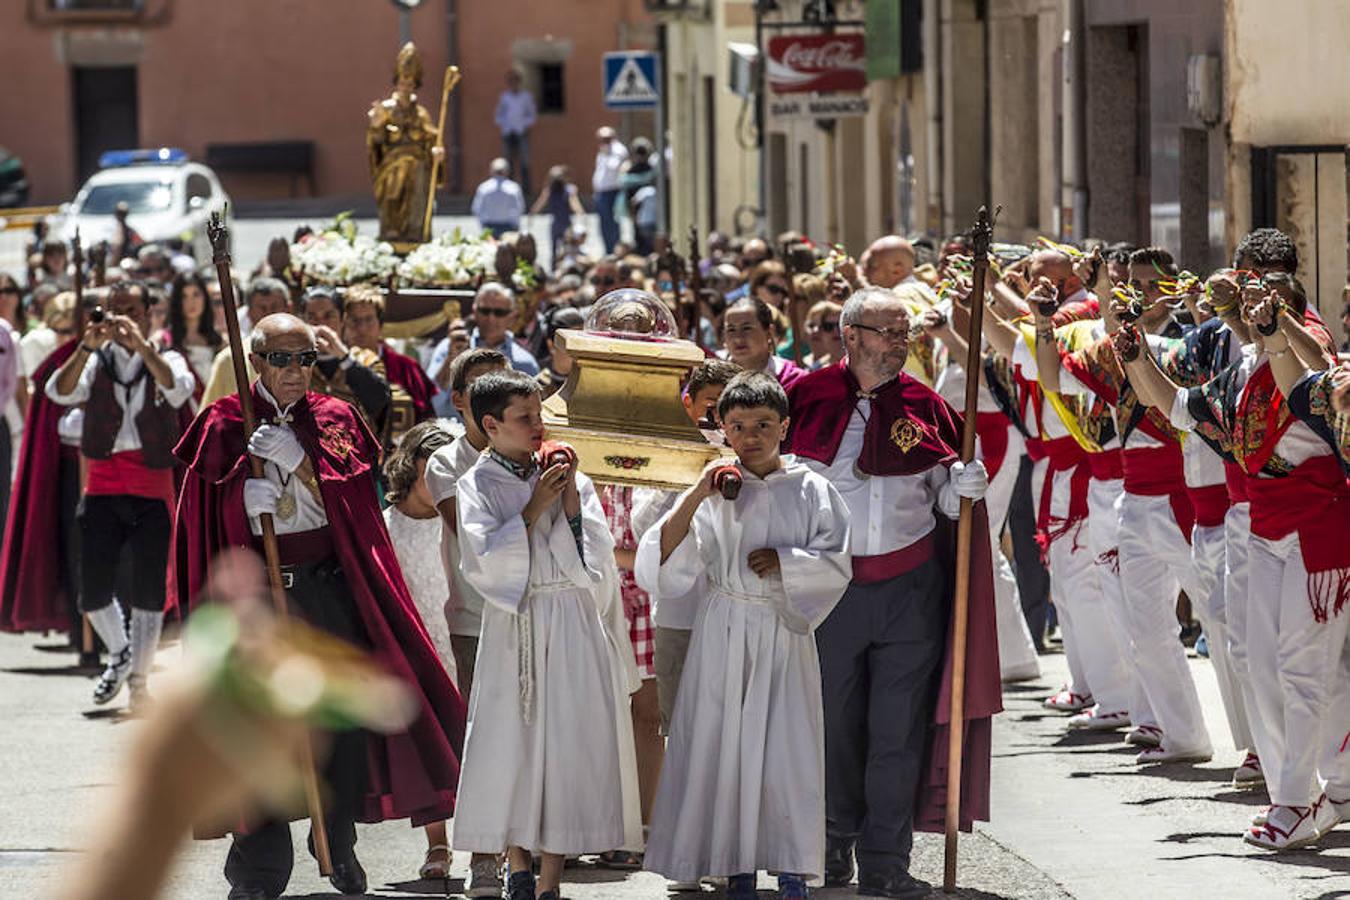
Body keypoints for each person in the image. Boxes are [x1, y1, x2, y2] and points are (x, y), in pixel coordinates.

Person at [171, 312, 467, 898]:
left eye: (305, 358)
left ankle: (336, 837)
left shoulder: (335, 418)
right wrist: (238, 501)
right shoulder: (221, 423)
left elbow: (357, 503)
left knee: (343, 722)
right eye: (280, 359)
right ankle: (258, 869)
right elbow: (198, 526)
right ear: (255, 362)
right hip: (256, 595)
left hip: (327, 587)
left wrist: (300, 465)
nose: (295, 371)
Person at [785, 286, 999, 899]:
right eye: (887, 333)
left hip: (910, 590)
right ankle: (829, 848)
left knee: (896, 731)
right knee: (831, 726)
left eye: (905, 334)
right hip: (831, 590)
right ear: (851, 336)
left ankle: (886, 859)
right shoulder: (804, 399)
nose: (899, 345)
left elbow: (942, 504)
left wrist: (964, 490)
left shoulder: (930, 407)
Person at [635, 372, 850, 898]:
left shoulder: (814, 488)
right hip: (724, 629)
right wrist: (696, 490)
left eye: (762, 424)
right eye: (737, 425)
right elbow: (662, 562)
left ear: (785, 426)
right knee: (724, 744)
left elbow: (837, 563)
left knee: (784, 745)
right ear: (722, 429)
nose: (750, 435)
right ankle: (734, 864)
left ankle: (793, 865)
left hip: (781, 630)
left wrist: (787, 563)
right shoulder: (713, 489)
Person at [451, 369, 641, 900]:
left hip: (570, 616)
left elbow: (597, 555)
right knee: (513, 740)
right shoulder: (478, 484)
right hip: (518, 622)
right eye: (524, 418)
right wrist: (534, 506)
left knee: (566, 743)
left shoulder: (568, 474)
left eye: (540, 415)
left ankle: (552, 877)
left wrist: (572, 502)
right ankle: (516, 865)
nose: (538, 426)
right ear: (491, 424)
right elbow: (483, 563)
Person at [47, 281, 195, 713]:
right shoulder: (96, 360)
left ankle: (140, 678)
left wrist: (144, 349)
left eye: (131, 309)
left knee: (148, 590)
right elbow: (59, 391)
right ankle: (121, 653)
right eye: (115, 310)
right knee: (92, 589)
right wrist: (85, 348)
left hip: (151, 483)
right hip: (105, 481)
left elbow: (178, 389)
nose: (122, 319)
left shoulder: (167, 355)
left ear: (151, 313)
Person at [422, 347, 509, 898]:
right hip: (475, 620)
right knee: (480, 741)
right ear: (459, 402)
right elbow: (479, 533)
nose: (494, 405)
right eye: (481, 394)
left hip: (530, 615)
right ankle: (482, 854)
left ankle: (521, 850)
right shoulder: (445, 463)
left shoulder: (530, 449)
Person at [382, 420, 459, 883]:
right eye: (434, 469)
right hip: (419, 649)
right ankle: (438, 843)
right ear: (411, 465)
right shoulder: (386, 525)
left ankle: (494, 846)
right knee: (433, 750)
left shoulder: (462, 521)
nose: (442, 483)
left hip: (463, 643)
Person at [367, 42, 444, 243]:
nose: (405, 88)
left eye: (410, 84)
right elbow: (376, 143)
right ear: (396, 82)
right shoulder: (386, 110)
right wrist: (376, 126)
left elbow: (432, 138)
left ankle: (415, 231)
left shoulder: (421, 113)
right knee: (393, 195)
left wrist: (436, 152)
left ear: (415, 85)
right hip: (391, 166)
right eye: (402, 83)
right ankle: (391, 231)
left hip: (417, 166)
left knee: (418, 195)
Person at [341, 283, 438, 434]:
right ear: (343, 323)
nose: (362, 328)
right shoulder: (333, 366)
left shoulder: (406, 368)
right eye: (355, 320)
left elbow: (427, 422)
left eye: (368, 320)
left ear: (380, 323)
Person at [296, 286, 392, 437]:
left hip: (355, 452)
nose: (321, 325)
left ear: (342, 320)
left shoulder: (365, 359)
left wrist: (343, 357)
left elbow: (379, 402)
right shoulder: (293, 362)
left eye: (329, 316)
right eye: (312, 317)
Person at [424, 282, 540, 384]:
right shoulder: (450, 347)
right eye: (485, 311)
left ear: (513, 316)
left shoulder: (525, 363)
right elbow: (431, 396)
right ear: (474, 311)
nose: (491, 318)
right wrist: (451, 360)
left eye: (499, 312)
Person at [202, 277, 290, 406]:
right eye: (262, 308)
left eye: (274, 307)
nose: (268, 314)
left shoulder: (305, 353)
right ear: (249, 313)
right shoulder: (229, 359)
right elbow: (210, 414)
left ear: (288, 308)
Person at [721, 297, 806, 389]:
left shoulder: (794, 381)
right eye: (731, 330)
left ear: (769, 333)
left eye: (746, 328)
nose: (738, 338)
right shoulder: (714, 383)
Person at [162, 272, 224, 394]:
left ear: (205, 297)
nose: (191, 302)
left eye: (196, 294)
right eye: (184, 296)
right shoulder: (166, 339)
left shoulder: (219, 340)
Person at [531, 166, 586, 270]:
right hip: (565, 223)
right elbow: (574, 204)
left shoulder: (553, 190)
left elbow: (540, 204)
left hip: (557, 223)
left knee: (556, 248)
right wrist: (580, 213)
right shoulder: (566, 190)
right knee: (567, 248)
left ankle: (557, 268)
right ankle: (562, 268)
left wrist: (532, 213)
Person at [495, 69, 537, 193]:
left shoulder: (526, 97)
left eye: (516, 81)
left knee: (525, 161)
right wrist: (506, 124)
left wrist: (523, 124)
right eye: (511, 81)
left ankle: (526, 189)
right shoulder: (504, 97)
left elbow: (532, 115)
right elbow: (498, 115)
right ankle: (509, 188)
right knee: (508, 162)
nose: (514, 84)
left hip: (521, 132)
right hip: (508, 133)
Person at [593, 126, 629, 254]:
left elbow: (614, 167)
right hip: (601, 193)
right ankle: (608, 250)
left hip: (612, 192)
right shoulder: (603, 150)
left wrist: (607, 152)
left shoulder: (618, 150)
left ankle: (615, 251)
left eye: (605, 139)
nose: (602, 141)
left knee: (612, 224)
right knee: (603, 225)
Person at [535, 307, 584, 399]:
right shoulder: (537, 388)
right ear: (552, 346)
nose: (579, 349)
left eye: (583, 342)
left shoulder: (591, 384)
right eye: (572, 343)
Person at [472, 158, 527, 237]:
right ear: (507, 171)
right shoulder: (514, 188)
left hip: (489, 227)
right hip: (509, 227)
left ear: (491, 171)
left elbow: (477, 209)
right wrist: (515, 226)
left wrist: (483, 226)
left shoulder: (484, 188)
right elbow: (520, 208)